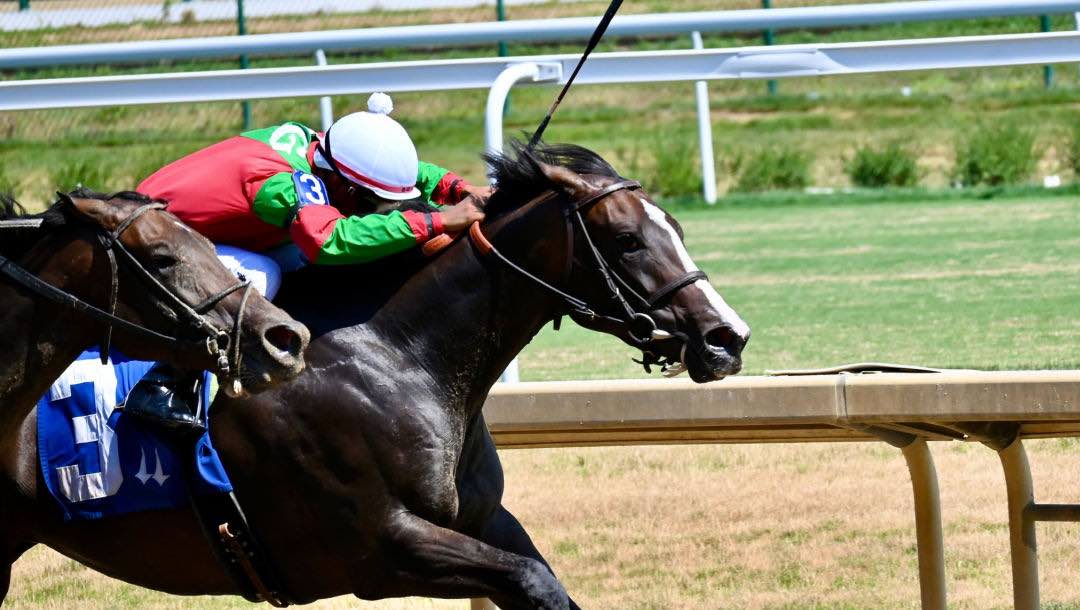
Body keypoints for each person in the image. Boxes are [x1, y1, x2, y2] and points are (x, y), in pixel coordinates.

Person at [123, 92, 487, 431]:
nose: (373, 211)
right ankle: (165, 382)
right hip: (147, 245)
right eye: (369, 203)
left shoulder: (328, 151)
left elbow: (397, 170)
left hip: (184, 229)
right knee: (263, 273)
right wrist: (437, 221)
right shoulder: (279, 183)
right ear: (346, 186)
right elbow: (327, 241)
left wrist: (459, 188)